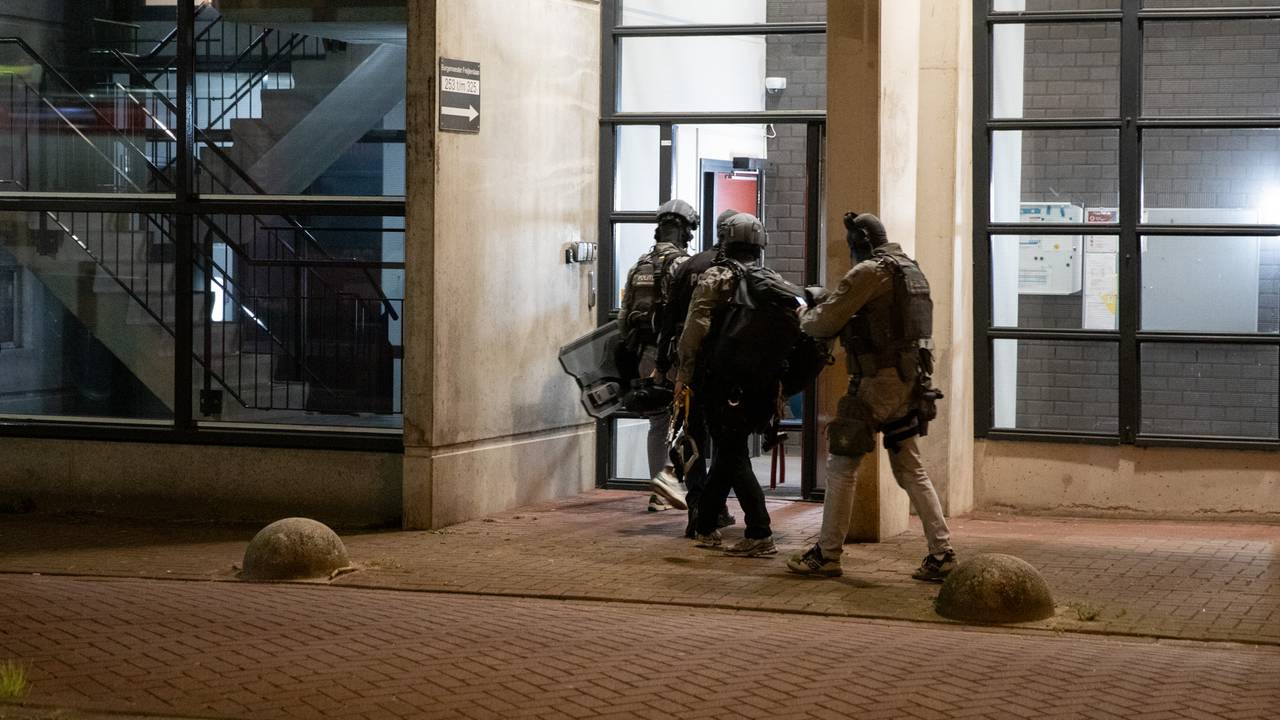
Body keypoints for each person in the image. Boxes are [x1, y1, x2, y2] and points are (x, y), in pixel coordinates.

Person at [786, 212, 956, 581]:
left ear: (858, 244)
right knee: (910, 468)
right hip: (910, 381)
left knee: (842, 466)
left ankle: (827, 554)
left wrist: (805, 312)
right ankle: (941, 553)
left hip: (875, 383)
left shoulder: (869, 272)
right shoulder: (910, 270)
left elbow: (825, 322)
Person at [674, 213, 784, 557]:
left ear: (726, 243)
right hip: (760, 385)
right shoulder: (770, 279)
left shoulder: (717, 277)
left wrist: (684, 374)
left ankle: (760, 531)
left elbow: (694, 330)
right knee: (729, 451)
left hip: (721, 383)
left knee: (732, 453)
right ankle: (706, 525)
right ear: (759, 246)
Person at [651, 209, 740, 536]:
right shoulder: (738, 269)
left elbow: (666, 319)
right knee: (726, 443)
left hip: (688, 369)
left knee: (692, 439)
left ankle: (699, 507)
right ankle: (713, 510)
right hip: (726, 372)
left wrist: (662, 367)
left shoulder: (691, 265)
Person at [618, 198, 699, 512]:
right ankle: (674, 485)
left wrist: (639, 350)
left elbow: (625, 317)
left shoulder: (640, 264)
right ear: (685, 232)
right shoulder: (681, 264)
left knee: (657, 421)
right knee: (683, 421)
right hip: (674, 354)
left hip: (645, 352)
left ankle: (658, 489)